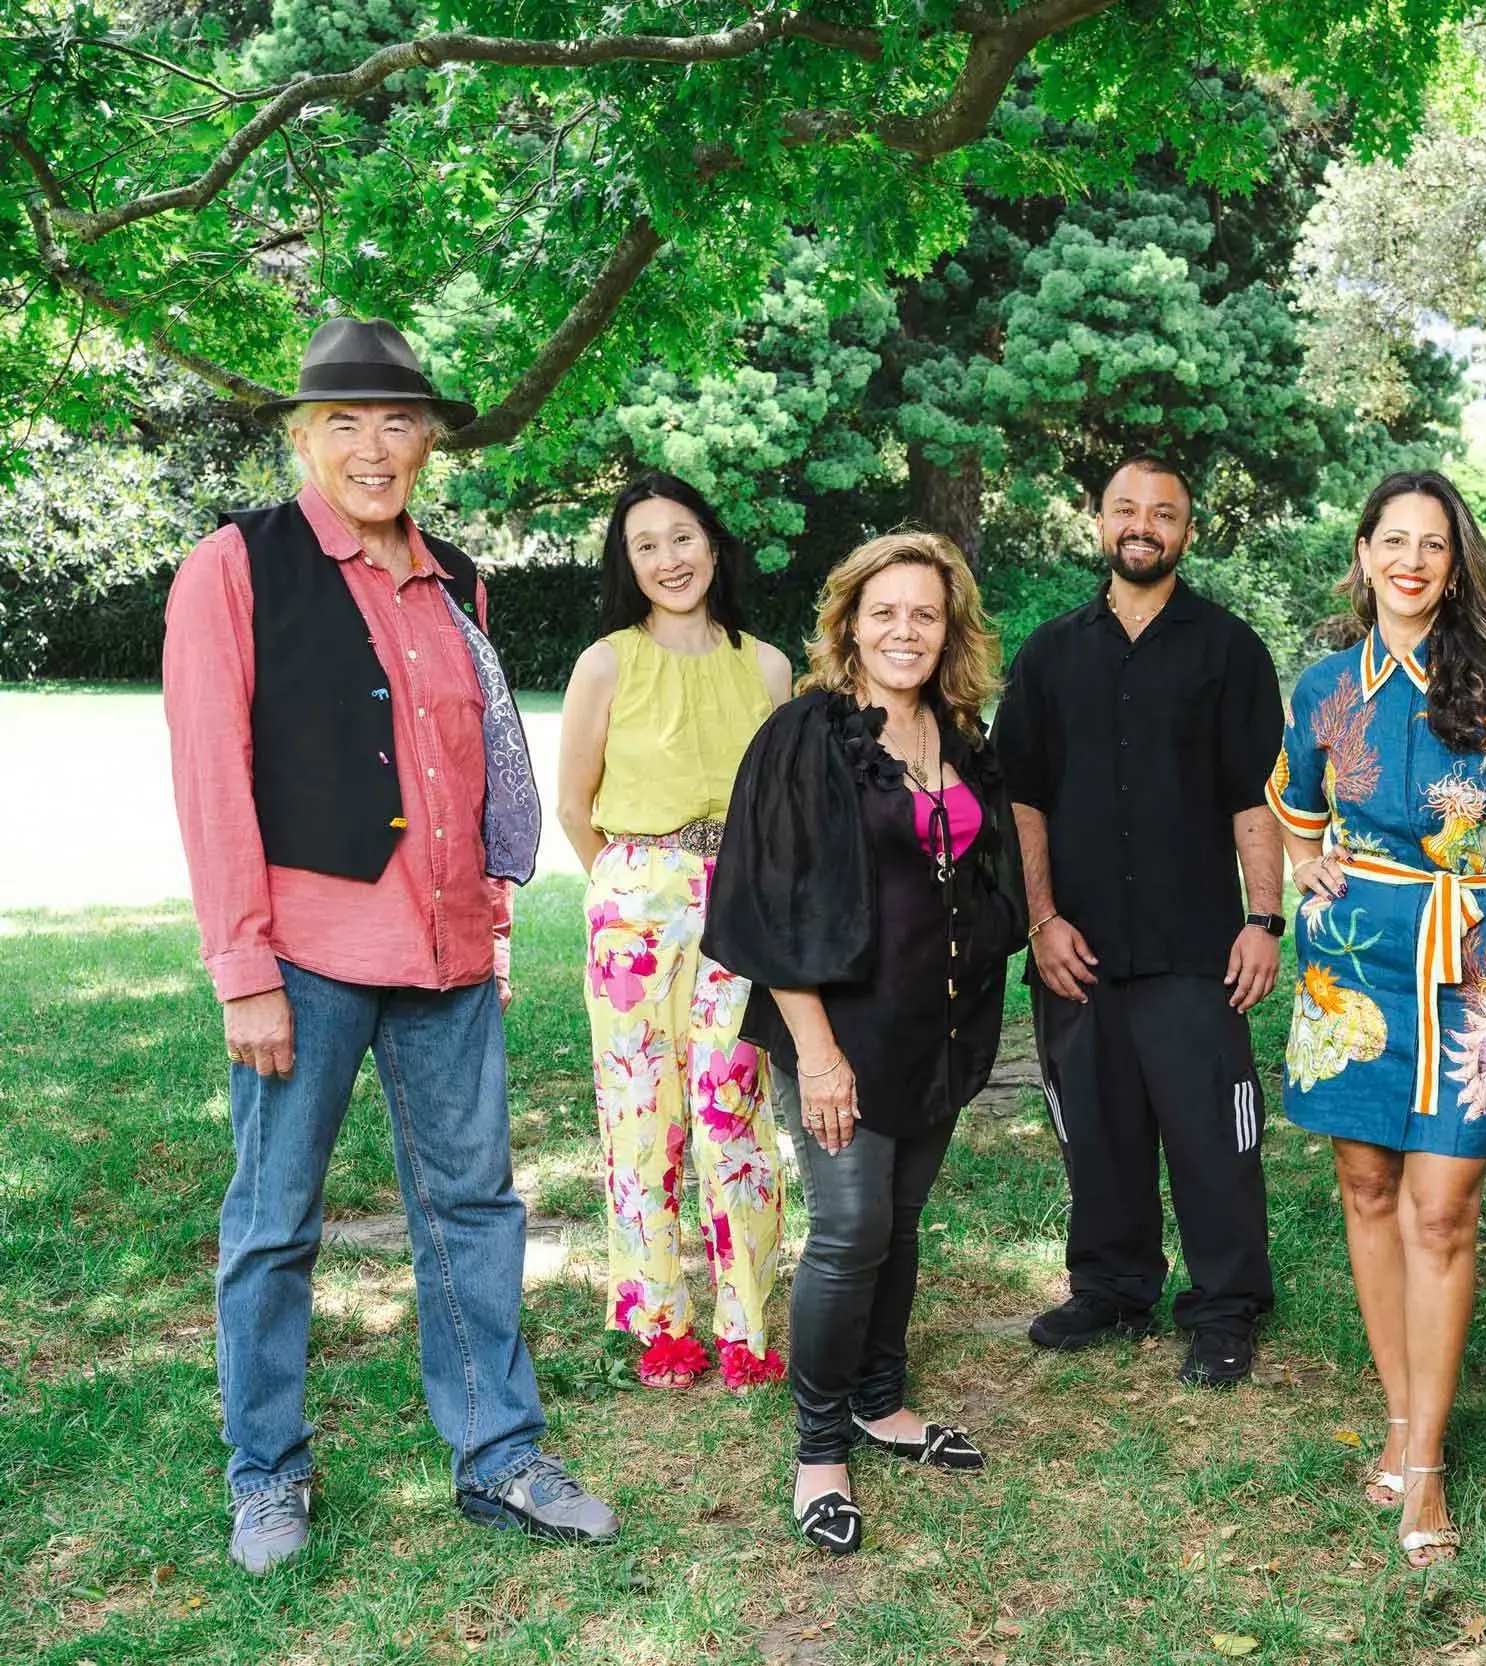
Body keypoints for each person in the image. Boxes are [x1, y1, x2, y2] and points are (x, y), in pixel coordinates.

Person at [164, 319, 617, 1574]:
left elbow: (469, 773)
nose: (374, 448)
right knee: (274, 1221)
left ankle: (499, 1453)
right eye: (345, 424)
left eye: (398, 422)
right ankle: (266, 1472)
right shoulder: (235, 566)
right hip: (304, 955)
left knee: (473, 1208)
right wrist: (242, 968)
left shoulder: (456, 577)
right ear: (304, 437)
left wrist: (484, 920)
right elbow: (214, 778)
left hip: (446, 957)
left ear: (428, 441)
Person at [1267, 470, 1486, 1567]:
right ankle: (1401, 1428)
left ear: (1456, 563)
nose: (1410, 559)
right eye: (1392, 540)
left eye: (1432, 544)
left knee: (1442, 1206)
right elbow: (1291, 810)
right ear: (1362, 555)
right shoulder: (1320, 685)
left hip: (1474, 955)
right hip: (1353, 959)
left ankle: (1430, 1465)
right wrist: (1309, 867)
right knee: (1365, 1185)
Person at [704, 532, 1026, 1557]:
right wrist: (820, 1052)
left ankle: (882, 1403)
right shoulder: (806, 736)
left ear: (950, 629)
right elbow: (768, 902)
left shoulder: (962, 736)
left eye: (924, 614)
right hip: (837, 1028)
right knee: (848, 1227)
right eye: (883, 611)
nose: (904, 631)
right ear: (849, 622)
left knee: (901, 1217)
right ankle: (818, 1449)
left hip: (933, 1029)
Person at [990, 455, 1289, 1388]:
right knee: (1096, 1125)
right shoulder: (1048, 653)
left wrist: (1264, 920)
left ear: (1187, 532)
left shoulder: (1229, 649)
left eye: (1163, 513)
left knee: (1213, 1136)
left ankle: (1224, 1303)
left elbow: (1257, 797)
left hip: (1196, 945)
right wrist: (1039, 920)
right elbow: (1022, 800)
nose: (1143, 525)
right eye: (1126, 509)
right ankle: (1114, 1286)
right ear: (1098, 524)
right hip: (1077, 946)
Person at [554, 473, 792, 1392]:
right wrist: (634, 889)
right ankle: (661, 1324)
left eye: (682, 537)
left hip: (742, 894)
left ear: (714, 545)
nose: (668, 558)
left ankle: (746, 1323)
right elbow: (576, 806)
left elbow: (789, 803)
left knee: (732, 1105)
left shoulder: (766, 667)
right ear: (627, 562)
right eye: (645, 544)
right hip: (634, 903)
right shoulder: (606, 662)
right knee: (637, 1114)